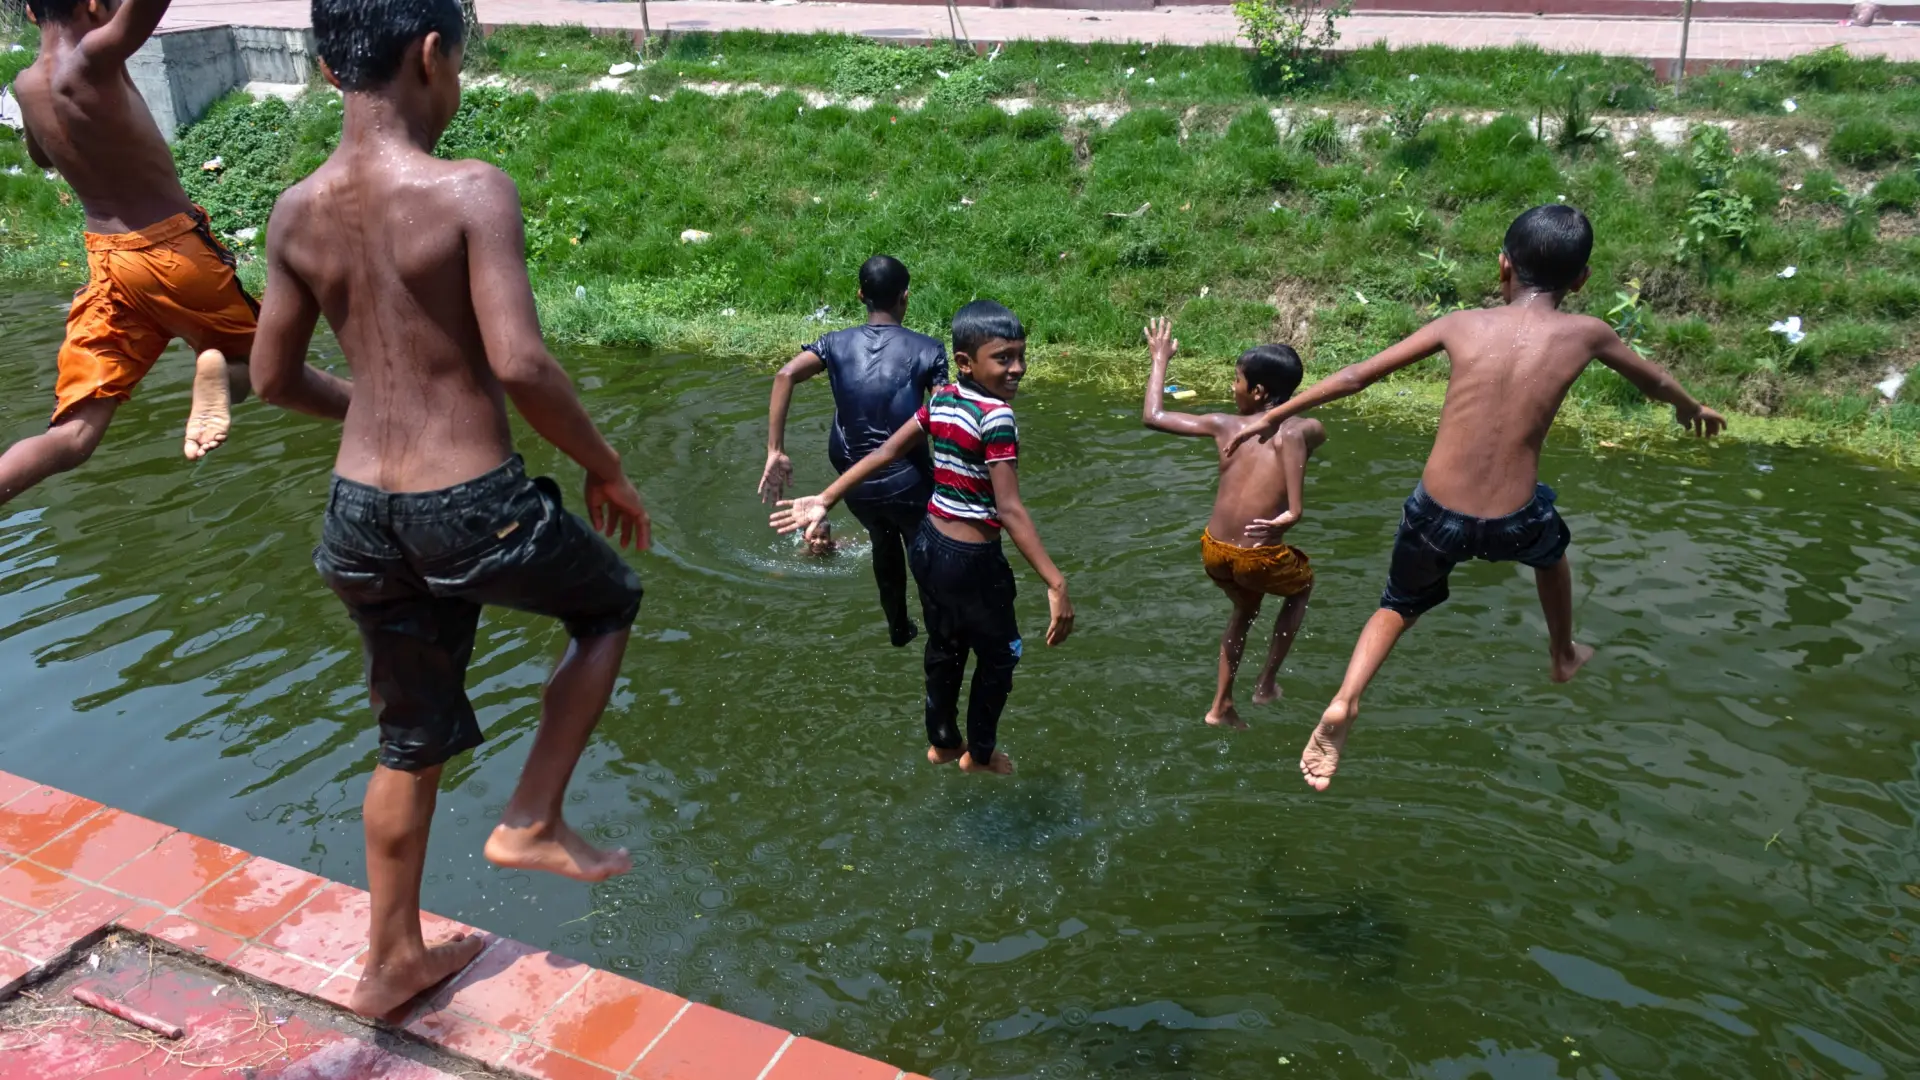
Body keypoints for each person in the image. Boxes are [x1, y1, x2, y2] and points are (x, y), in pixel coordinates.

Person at [250, 0, 650, 1019]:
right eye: (460, 61)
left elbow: (271, 378)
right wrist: (604, 467)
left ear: (330, 66)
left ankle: (392, 958)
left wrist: (372, 411)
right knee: (607, 605)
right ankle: (532, 817)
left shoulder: (294, 210)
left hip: (357, 518)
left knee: (409, 736)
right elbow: (519, 362)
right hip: (470, 509)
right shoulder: (471, 189)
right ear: (432, 56)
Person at [1228, 205, 1726, 791]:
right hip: (1516, 518)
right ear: (1582, 280)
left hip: (1437, 513)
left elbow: (1356, 376)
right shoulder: (1589, 333)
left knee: (1397, 604)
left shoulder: (1459, 324)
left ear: (1502, 267)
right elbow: (1655, 381)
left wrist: (1277, 413)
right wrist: (1691, 407)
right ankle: (1562, 653)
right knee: (1551, 551)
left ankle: (1346, 698)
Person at [771, 301, 1072, 775]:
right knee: (1000, 653)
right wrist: (1056, 583)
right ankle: (980, 754)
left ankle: (943, 743)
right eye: (1004, 358)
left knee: (945, 644)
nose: (1017, 369)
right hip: (973, 560)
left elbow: (888, 449)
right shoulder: (997, 417)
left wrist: (828, 496)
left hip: (930, 548)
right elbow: (1010, 509)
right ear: (966, 361)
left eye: (1020, 355)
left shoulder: (944, 398)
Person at [2, 0, 257, 506]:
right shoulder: (96, 55)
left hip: (108, 266)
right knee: (265, 361)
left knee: (72, 438)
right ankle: (218, 372)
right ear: (96, 6)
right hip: (174, 252)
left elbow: (37, 154)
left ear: (30, 14)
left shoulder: (26, 87)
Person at [1141, 318, 1323, 732]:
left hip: (1214, 549)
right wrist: (1295, 510)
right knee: (1303, 587)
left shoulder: (1224, 425)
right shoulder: (1303, 429)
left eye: (1236, 380)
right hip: (1258, 554)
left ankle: (1220, 705)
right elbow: (1301, 433)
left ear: (1258, 392)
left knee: (1245, 609)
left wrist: (1159, 360)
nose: (1231, 388)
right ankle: (1266, 683)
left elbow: (1153, 415)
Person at [758, 255, 948, 646]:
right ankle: (940, 632)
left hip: (852, 477)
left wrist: (775, 449)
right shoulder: (929, 350)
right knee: (922, 545)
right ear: (905, 298)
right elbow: (944, 416)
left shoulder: (834, 342)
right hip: (908, 474)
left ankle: (897, 625)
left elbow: (785, 374)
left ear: (860, 295)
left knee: (882, 538)